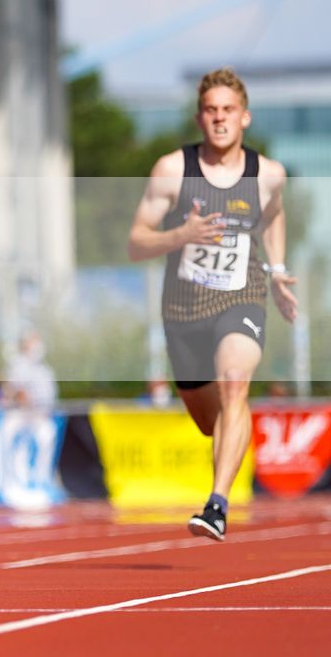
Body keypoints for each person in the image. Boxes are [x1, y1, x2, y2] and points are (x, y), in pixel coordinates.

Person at [126, 67, 296, 541]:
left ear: (245, 118)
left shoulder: (269, 175)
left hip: (241, 297)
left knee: (235, 383)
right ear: (200, 118)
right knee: (211, 420)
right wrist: (180, 235)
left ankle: (217, 505)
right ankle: (229, 443)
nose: (220, 118)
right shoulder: (172, 170)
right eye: (211, 110)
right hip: (183, 312)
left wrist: (277, 273)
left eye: (228, 111)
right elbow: (136, 243)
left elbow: (274, 217)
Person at [4, 332, 57, 410]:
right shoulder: (17, 365)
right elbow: (13, 391)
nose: (37, 347)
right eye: (33, 342)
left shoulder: (45, 370)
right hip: (19, 413)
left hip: (42, 415)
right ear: (25, 345)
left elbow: (50, 395)